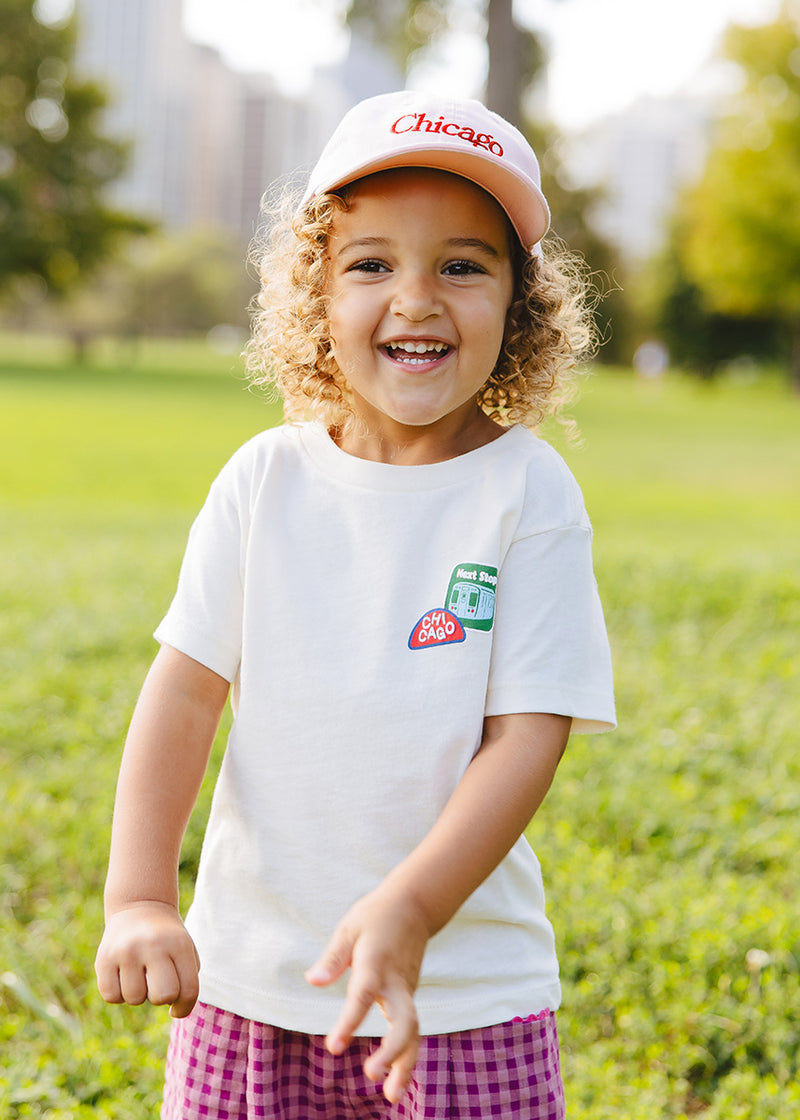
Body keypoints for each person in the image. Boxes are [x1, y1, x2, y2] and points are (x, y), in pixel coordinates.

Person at [95, 90, 616, 1120]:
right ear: (316, 299)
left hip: (461, 997)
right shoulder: (262, 480)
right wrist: (141, 899)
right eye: (371, 263)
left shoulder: (526, 490)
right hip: (252, 983)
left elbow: (525, 736)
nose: (415, 298)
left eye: (461, 265)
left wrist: (410, 908)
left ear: (520, 306)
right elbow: (185, 694)